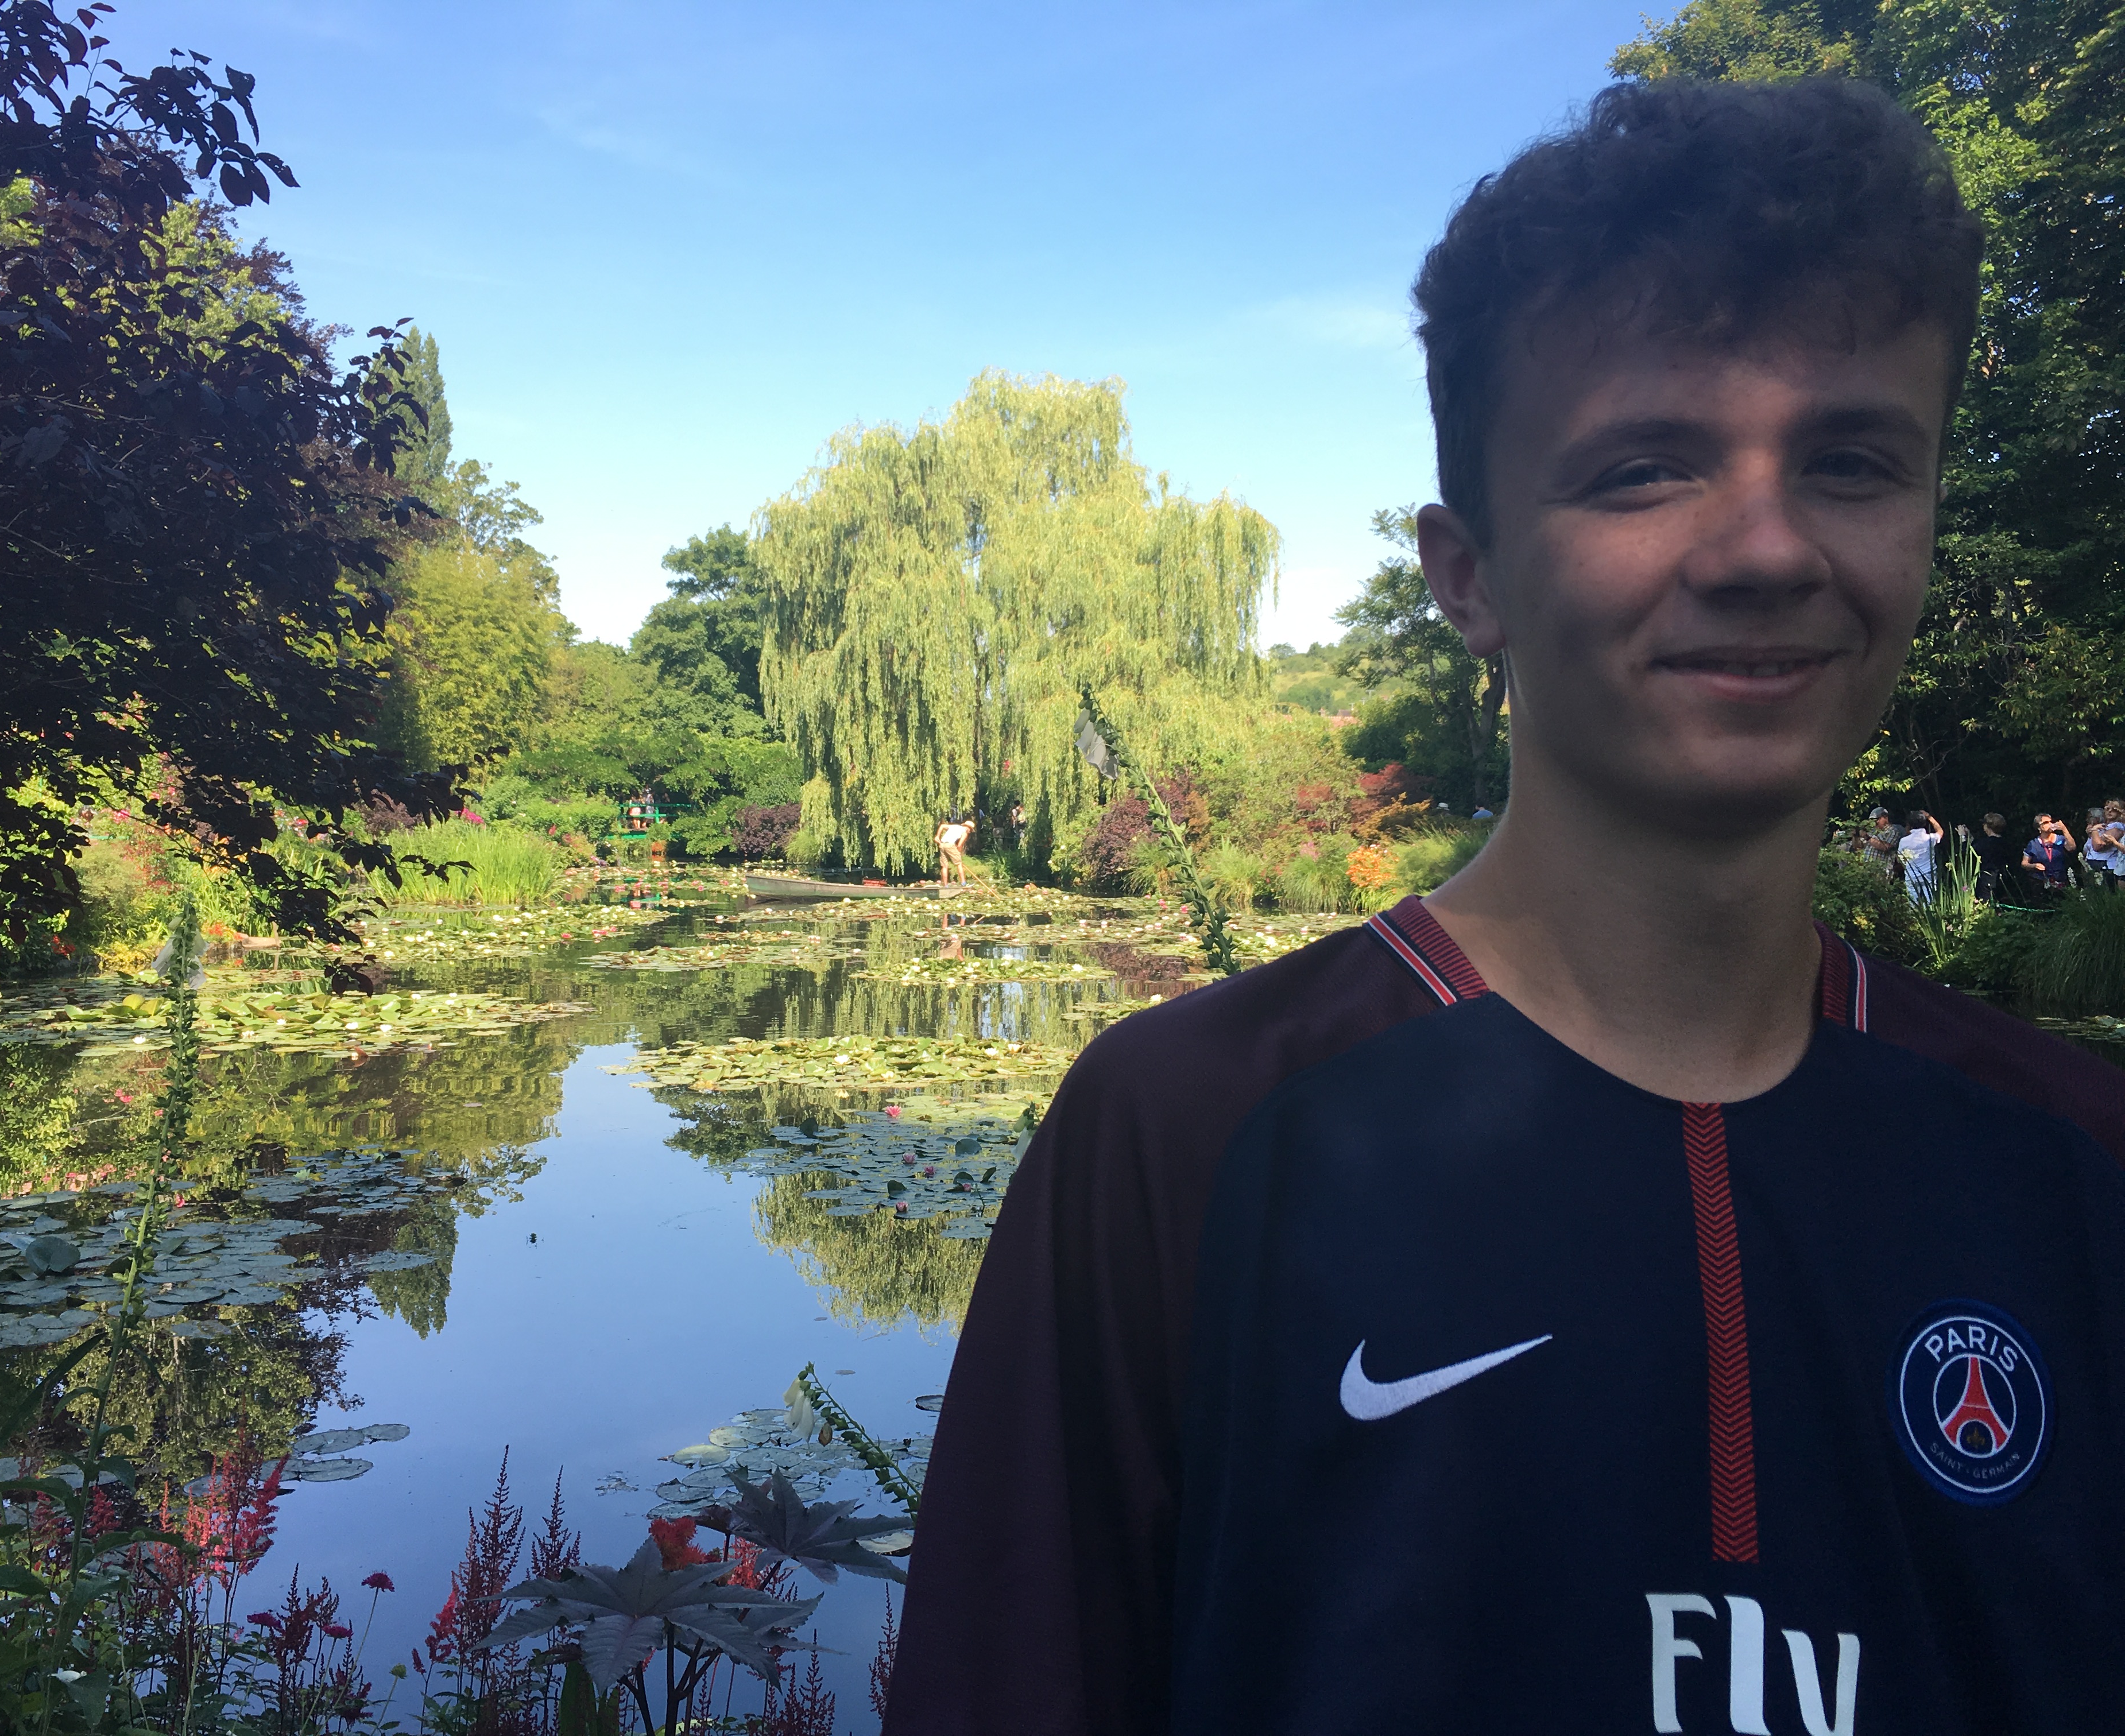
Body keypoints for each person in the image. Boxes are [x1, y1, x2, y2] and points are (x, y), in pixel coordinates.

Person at [888, 80, 2125, 1735]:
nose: (1766, 547)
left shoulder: (2079, 1164)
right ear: (1466, 575)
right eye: (1643, 471)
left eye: (1850, 460)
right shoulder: (1190, 1137)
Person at [1895, 808, 1944, 903]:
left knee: (1913, 904)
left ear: (1909, 825)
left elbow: (1900, 859)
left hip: (1912, 876)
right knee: (1931, 902)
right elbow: (1940, 831)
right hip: (1929, 875)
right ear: (1924, 824)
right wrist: (1930, 817)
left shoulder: (1904, 842)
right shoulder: (1930, 838)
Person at [2022, 810, 2073, 899]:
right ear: (2039, 828)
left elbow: (2072, 848)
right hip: (2041, 883)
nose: (2050, 824)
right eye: (2046, 823)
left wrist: (2064, 830)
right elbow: (2024, 863)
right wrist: (2034, 866)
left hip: (2061, 880)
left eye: (2051, 822)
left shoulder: (2061, 839)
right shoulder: (2033, 844)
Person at [1973, 811, 2013, 901]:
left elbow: (1969, 852)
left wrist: (1963, 837)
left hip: (1987, 880)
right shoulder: (2006, 843)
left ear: (1988, 827)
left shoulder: (1985, 843)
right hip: (2003, 879)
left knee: (1985, 905)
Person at [934, 815, 975, 885]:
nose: (970, 832)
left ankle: (945, 885)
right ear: (969, 828)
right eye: (971, 830)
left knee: (944, 866)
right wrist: (959, 853)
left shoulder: (955, 826)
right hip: (950, 845)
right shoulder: (965, 832)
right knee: (959, 864)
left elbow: (942, 826)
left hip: (942, 844)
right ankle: (963, 883)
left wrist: (938, 836)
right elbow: (960, 845)